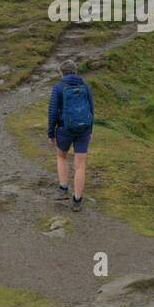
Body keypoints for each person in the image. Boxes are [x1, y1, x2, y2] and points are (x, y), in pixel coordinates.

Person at [47, 59, 94, 212]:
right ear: (75, 71)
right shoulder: (85, 86)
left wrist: (51, 133)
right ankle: (77, 200)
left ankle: (63, 188)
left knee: (62, 156)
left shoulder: (58, 87)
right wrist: (90, 130)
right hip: (84, 130)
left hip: (64, 129)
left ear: (61, 72)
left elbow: (53, 112)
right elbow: (91, 110)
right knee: (80, 165)